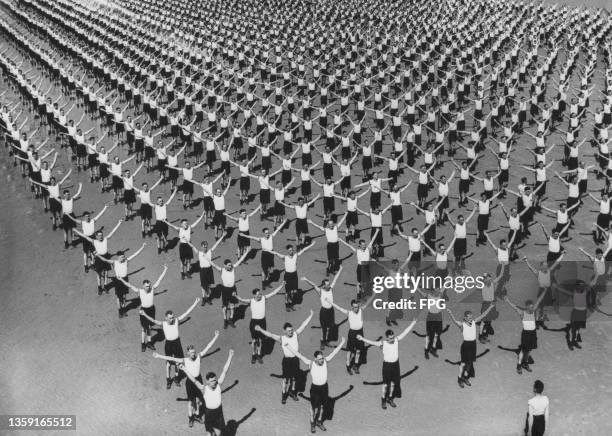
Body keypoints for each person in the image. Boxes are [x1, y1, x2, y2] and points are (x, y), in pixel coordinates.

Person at [152, 331, 219, 427]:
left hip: (198, 380)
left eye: (194, 352)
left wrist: (215, 337)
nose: (193, 354)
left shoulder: (199, 356)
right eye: (191, 353)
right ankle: (191, 418)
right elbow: (171, 358)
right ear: (188, 353)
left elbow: (208, 347)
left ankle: (197, 415)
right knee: (190, 401)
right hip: (190, 382)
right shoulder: (185, 360)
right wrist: (159, 356)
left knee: (199, 399)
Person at [284, 338, 345, 434]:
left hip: (324, 388)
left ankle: (319, 421)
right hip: (315, 389)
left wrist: (342, 343)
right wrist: (288, 347)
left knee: (322, 406)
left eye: (322, 358)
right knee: (313, 408)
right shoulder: (310, 363)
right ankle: (312, 423)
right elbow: (298, 355)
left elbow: (334, 353)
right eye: (320, 359)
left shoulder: (325, 360)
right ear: (315, 358)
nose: (322, 360)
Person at [139, 298, 200, 389]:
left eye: (173, 317)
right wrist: (144, 314)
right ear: (166, 318)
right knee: (168, 363)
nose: (172, 319)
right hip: (169, 344)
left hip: (177, 343)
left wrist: (195, 302)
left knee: (178, 362)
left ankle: (176, 378)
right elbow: (153, 320)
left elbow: (186, 313)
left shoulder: (176, 320)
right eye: (170, 318)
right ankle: (168, 379)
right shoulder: (163, 324)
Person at [255, 310, 314, 404]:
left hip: (295, 360)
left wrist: (310, 316)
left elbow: (303, 325)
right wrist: (260, 329)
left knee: (294, 377)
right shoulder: (282, 338)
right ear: (284, 331)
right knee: (286, 379)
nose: (291, 332)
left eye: (291, 330)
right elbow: (270, 334)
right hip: (287, 361)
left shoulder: (295, 334)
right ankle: (284, 394)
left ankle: (292, 392)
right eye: (289, 331)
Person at [357, 320, 417, 409]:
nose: (392, 339)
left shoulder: (396, 340)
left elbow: (405, 332)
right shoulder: (383, 343)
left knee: (393, 384)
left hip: (396, 365)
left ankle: (390, 399)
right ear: (387, 338)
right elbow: (372, 342)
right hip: (387, 366)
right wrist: (362, 338)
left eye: (393, 337)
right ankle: (383, 400)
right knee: (385, 385)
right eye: (390, 338)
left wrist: (413, 323)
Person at [180, 349, 234, 436]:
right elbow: (194, 380)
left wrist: (230, 356)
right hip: (209, 413)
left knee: (220, 433)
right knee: (208, 433)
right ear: (207, 382)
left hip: (219, 412)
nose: (214, 382)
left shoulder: (219, 384)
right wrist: (185, 369)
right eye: (212, 381)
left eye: (215, 380)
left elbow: (225, 371)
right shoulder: (203, 388)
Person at [120, 265, 168, 351]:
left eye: (149, 286)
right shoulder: (140, 291)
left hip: (151, 310)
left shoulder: (152, 289)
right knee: (144, 328)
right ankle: (143, 343)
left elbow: (159, 280)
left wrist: (165, 269)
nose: (148, 287)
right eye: (146, 286)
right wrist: (121, 279)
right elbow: (130, 285)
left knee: (149, 327)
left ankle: (149, 343)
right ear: (143, 286)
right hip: (143, 311)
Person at [446, 304, 495, 388]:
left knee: (469, 363)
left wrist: (490, 307)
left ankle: (465, 378)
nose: (470, 318)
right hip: (466, 346)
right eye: (469, 317)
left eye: (471, 317)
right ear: (465, 318)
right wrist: (450, 313)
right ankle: (459, 379)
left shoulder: (474, 322)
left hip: (473, 345)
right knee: (463, 364)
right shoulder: (462, 325)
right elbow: (454, 321)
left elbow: (483, 315)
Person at [327, 293, 375, 374]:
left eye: (357, 307)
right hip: (352, 333)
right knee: (350, 351)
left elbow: (368, 302)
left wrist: (374, 294)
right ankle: (348, 365)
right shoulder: (349, 313)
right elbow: (338, 308)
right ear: (352, 307)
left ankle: (355, 365)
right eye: (354, 307)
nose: (356, 308)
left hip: (360, 332)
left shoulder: (361, 310)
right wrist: (329, 302)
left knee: (359, 351)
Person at [95, 243, 146, 318]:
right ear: (118, 257)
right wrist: (98, 255)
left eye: (124, 257)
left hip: (125, 279)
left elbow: (135, 254)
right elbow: (105, 260)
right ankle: (120, 311)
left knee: (124, 296)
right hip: (118, 281)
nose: (124, 258)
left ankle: (123, 310)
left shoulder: (126, 261)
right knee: (119, 297)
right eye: (122, 257)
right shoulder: (114, 262)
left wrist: (142, 247)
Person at [235, 285, 283, 364]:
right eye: (257, 295)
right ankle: (253, 355)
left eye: (260, 294)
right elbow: (242, 300)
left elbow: (274, 293)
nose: (259, 296)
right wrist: (236, 296)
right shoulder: (251, 301)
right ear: (254, 295)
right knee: (254, 341)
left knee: (260, 340)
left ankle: (259, 355)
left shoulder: (264, 298)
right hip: (254, 322)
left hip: (262, 322)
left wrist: (282, 285)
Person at [504, 288, 548, 374]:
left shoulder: (533, 310)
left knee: (529, 350)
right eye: (530, 307)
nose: (532, 309)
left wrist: (544, 291)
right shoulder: (522, 313)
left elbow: (539, 300)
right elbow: (514, 307)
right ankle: (519, 365)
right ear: (527, 307)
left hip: (533, 333)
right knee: (523, 351)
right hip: (526, 334)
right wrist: (507, 300)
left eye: (532, 307)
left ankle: (525, 364)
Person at [301, 267, 343, 350]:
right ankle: (322, 342)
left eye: (329, 284)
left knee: (330, 327)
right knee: (323, 328)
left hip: (331, 311)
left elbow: (336, 278)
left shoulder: (331, 289)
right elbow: (313, 285)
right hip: (324, 312)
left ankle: (326, 341)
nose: (328, 285)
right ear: (324, 285)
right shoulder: (320, 291)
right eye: (327, 284)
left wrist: (340, 270)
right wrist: (306, 279)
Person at [210, 251, 250, 328]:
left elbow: (240, 260)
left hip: (233, 289)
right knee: (224, 307)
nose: (230, 266)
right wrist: (206, 258)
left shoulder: (233, 268)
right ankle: (225, 320)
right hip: (225, 290)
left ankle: (231, 319)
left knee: (232, 305)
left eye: (231, 265)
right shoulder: (221, 270)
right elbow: (213, 265)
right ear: (224, 265)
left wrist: (247, 251)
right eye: (228, 265)